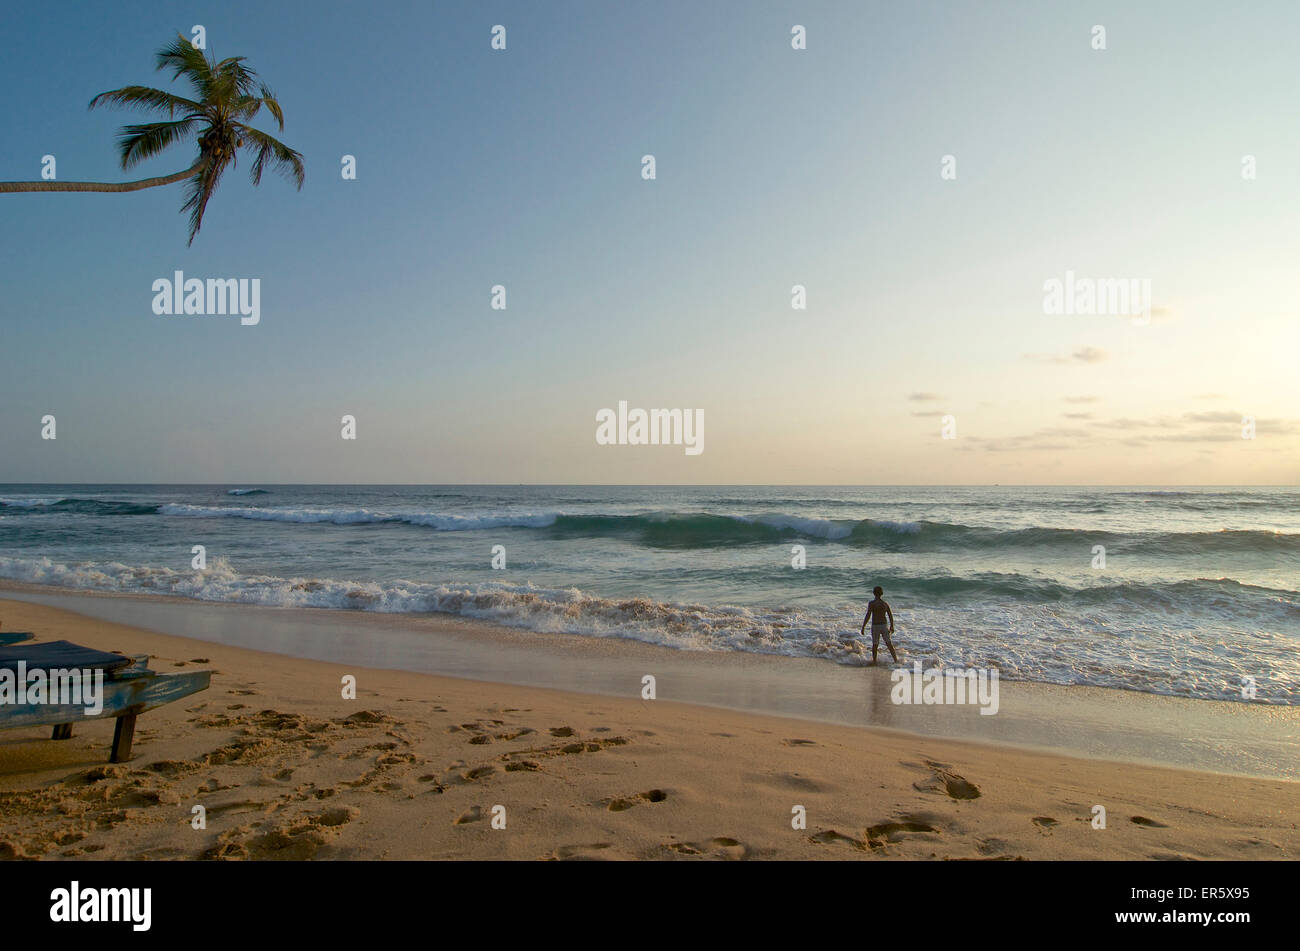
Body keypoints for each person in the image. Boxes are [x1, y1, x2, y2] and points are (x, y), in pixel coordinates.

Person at [859, 585, 898, 664]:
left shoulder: (872, 604)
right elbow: (890, 615)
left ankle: (874, 661)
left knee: (875, 644)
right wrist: (892, 626)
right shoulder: (885, 604)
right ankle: (896, 660)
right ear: (881, 593)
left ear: (873, 593)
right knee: (889, 644)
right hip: (884, 625)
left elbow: (868, 615)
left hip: (875, 625)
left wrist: (863, 626)